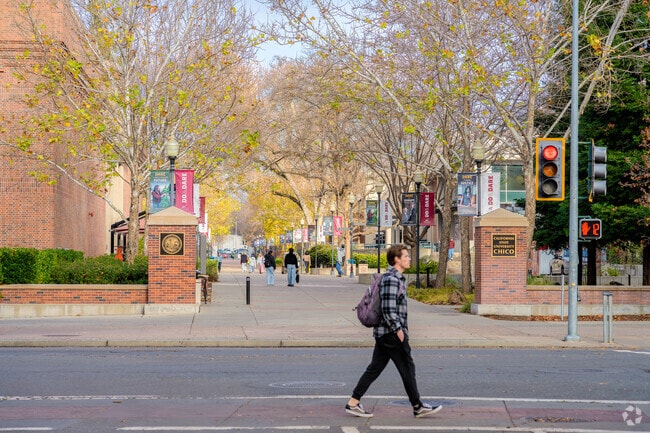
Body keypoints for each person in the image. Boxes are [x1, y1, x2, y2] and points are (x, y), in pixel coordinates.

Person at [345, 244, 442, 419]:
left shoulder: (395, 278)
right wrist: (399, 330)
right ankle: (418, 406)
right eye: (406, 256)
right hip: (391, 333)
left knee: (374, 368)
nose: (409, 258)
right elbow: (388, 309)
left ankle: (353, 402)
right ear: (396, 259)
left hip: (385, 333)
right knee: (407, 368)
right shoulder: (392, 279)